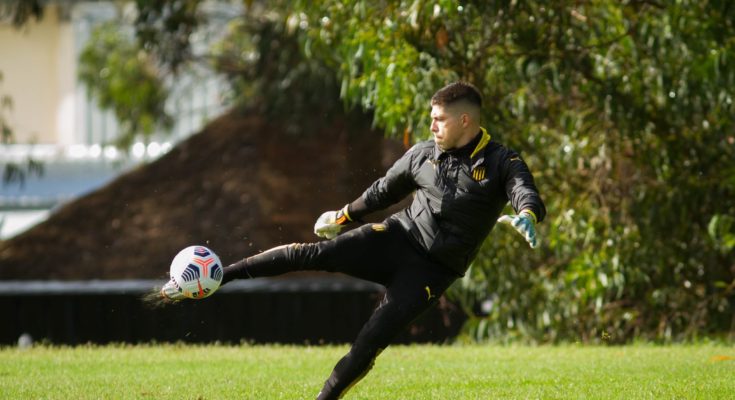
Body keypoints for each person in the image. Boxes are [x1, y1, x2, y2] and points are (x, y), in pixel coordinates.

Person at [155, 81, 545, 399]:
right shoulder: (423, 154)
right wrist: (343, 216)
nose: (431, 127)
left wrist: (527, 214)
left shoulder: (500, 162)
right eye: (430, 119)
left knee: (371, 340)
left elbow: (524, 191)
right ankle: (221, 276)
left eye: (439, 120)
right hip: (396, 236)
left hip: (433, 270)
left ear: (464, 120)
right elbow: (382, 192)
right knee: (312, 254)